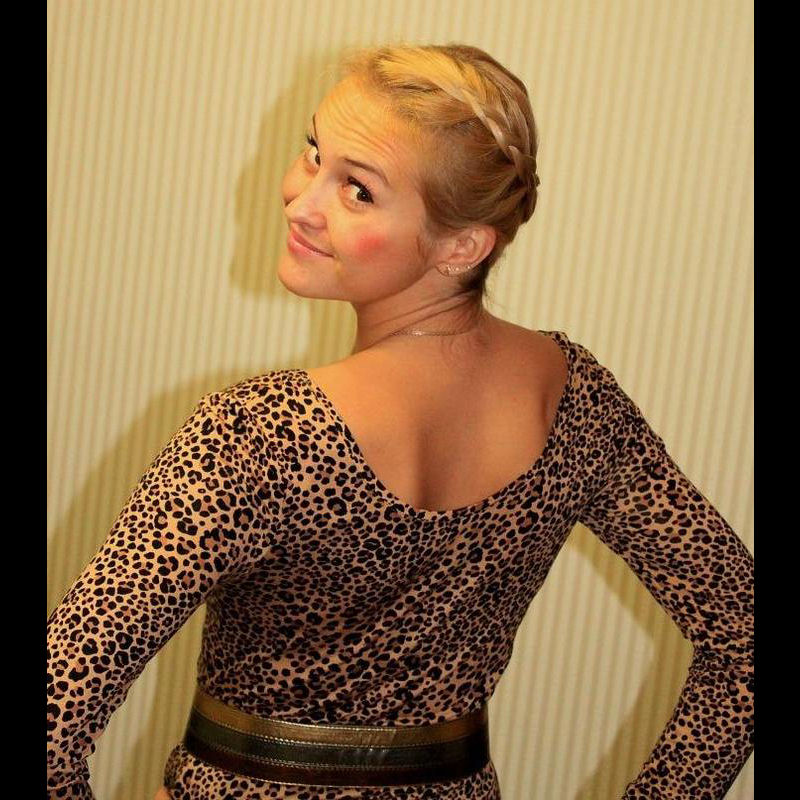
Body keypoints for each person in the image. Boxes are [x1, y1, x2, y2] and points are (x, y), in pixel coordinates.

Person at [47, 42, 754, 800]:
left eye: (358, 191)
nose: (300, 201)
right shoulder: (575, 398)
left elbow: (56, 710)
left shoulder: (258, 434)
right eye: (314, 153)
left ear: (462, 245)